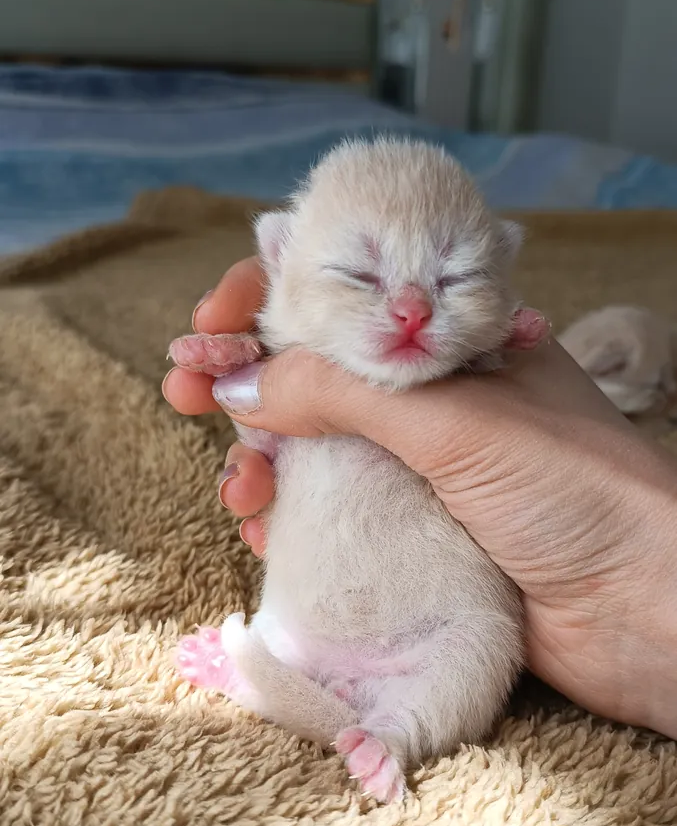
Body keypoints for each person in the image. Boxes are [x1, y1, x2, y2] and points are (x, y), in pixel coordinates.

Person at [163, 257, 677, 740]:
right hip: (308, 626)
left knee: (474, 649)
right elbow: (264, 427)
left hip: (431, 638)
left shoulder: (470, 386)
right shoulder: (304, 349)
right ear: (284, 256)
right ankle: (270, 667)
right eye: (359, 273)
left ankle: (387, 734)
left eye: (453, 277)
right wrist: (238, 366)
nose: (410, 310)